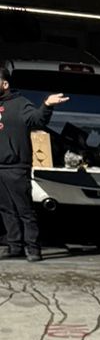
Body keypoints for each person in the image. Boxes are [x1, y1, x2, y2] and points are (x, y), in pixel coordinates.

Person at [0, 62, 67, 262]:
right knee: (5, 209)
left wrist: (46, 105)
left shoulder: (20, 104)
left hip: (15, 167)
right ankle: (14, 246)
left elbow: (37, 120)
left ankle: (33, 248)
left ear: (5, 84)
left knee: (24, 209)